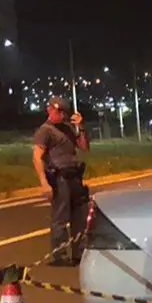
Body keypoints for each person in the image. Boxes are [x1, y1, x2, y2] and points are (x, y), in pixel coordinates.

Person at [33, 96, 91, 267]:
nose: (61, 115)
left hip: (75, 177)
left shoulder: (67, 129)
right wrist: (44, 183)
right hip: (60, 178)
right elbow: (37, 158)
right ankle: (59, 255)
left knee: (80, 216)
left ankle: (79, 253)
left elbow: (84, 147)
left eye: (64, 112)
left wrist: (80, 127)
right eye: (58, 111)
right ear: (50, 110)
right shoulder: (45, 131)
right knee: (60, 217)